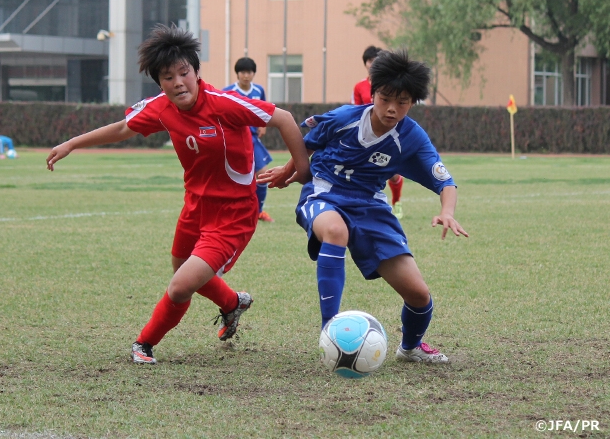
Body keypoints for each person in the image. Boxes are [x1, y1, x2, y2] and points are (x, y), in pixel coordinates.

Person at [46, 24, 311, 364]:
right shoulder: (160, 106)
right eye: (168, 77)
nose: (178, 83)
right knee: (182, 271)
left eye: (184, 73)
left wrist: (298, 170)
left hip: (232, 213)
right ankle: (233, 303)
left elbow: (285, 119)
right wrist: (71, 143)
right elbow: (124, 128)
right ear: (159, 82)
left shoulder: (223, 103)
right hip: (194, 207)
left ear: (197, 72)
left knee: (180, 285)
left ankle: (143, 345)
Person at [259, 49, 469, 363]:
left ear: (413, 102)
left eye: (403, 102)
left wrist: (447, 212)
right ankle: (329, 331)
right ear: (373, 93)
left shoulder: (412, 137)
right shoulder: (345, 118)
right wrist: (288, 171)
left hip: (371, 206)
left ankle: (410, 348)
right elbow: (307, 144)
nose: (392, 109)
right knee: (334, 230)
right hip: (324, 193)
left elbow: (445, 181)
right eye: (385, 98)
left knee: (419, 295)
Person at [352, 46, 405, 219]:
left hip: (389, 134)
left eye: (376, 61)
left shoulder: (391, 85)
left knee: (393, 173)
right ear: (365, 64)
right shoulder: (359, 86)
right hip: (366, 134)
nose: (372, 64)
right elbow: (356, 110)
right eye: (369, 61)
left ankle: (396, 203)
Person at [223, 57, 275, 222]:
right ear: (237, 74)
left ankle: (258, 212)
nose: (246, 75)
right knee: (234, 178)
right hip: (235, 140)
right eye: (242, 72)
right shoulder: (228, 91)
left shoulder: (258, 90)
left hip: (252, 138)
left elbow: (264, 110)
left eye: (249, 72)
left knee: (263, 174)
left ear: (254, 74)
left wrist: (264, 125)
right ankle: (232, 212)